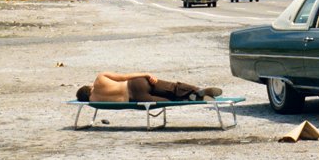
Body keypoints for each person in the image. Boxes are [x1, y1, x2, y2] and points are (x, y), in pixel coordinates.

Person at [75, 72, 223, 103]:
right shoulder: (99, 78)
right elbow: (124, 77)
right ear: (89, 87)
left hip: (136, 98)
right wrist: (145, 74)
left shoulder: (95, 101)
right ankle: (196, 91)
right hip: (136, 84)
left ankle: (191, 98)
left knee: (170, 100)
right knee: (172, 87)